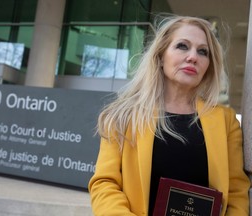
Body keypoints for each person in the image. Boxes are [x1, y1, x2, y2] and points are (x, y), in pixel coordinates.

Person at [88, 14, 250, 216]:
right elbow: (105, 183)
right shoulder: (124, 115)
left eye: (203, 51)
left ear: (209, 65)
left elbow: (237, 193)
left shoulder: (226, 121)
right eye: (182, 46)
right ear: (161, 55)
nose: (193, 57)